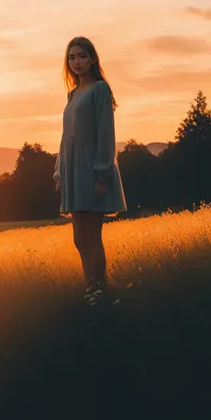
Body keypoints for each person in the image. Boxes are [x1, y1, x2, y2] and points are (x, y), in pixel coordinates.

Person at [54, 35, 127, 293]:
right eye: (71, 57)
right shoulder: (72, 93)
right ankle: (90, 290)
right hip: (72, 170)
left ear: (93, 58)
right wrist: (60, 173)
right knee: (78, 238)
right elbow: (66, 138)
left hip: (92, 168)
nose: (76, 62)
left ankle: (100, 291)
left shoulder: (100, 89)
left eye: (82, 56)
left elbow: (106, 134)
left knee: (93, 237)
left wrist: (101, 173)